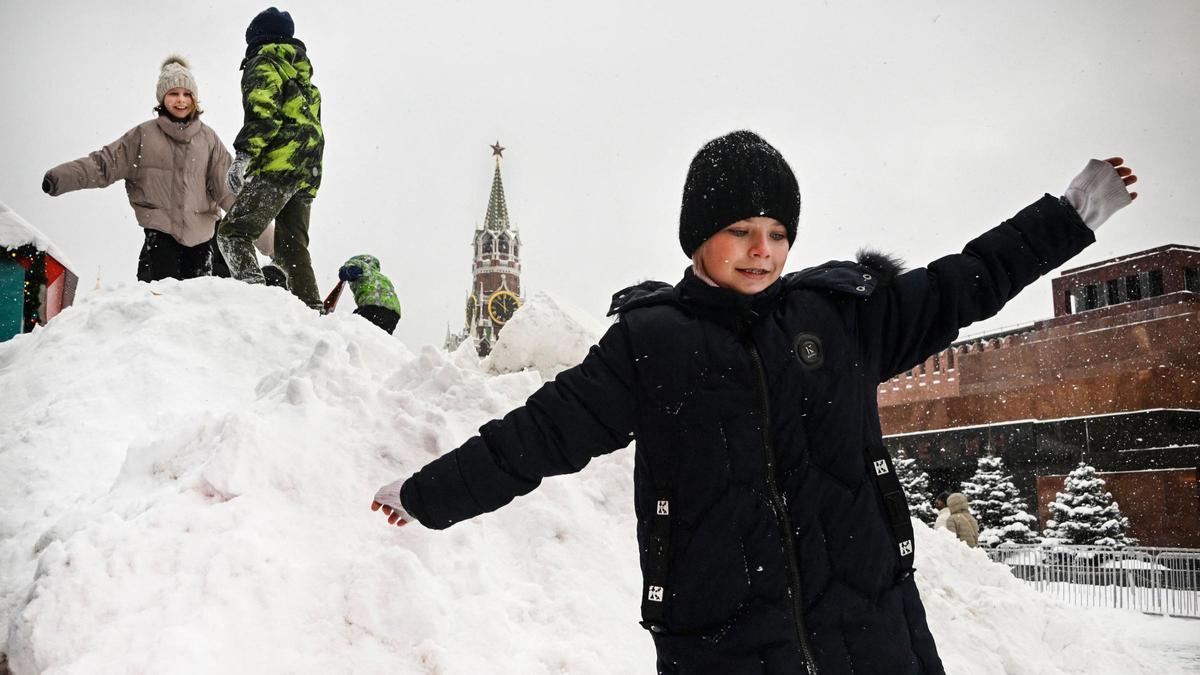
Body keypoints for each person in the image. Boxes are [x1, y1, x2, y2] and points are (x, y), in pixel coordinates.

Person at [371, 130, 1138, 674]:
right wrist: (426, 493)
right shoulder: (652, 343)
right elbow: (538, 436)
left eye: (776, 231)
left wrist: (1068, 216)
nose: (762, 249)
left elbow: (965, 280)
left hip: (873, 635)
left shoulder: (841, 317)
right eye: (739, 229)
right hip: (723, 646)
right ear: (698, 237)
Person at [42, 56, 234, 282]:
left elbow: (229, 192)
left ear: (195, 99)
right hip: (161, 235)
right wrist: (60, 178)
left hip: (202, 241)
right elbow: (103, 165)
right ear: (162, 98)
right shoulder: (143, 136)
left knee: (197, 307)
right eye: (173, 94)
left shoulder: (208, 140)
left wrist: (272, 243)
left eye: (186, 94)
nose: (181, 100)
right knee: (161, 300)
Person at [216, 7, 324, 309]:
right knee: (291, 248)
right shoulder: (303, 78)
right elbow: (311, 130)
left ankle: (258, 304)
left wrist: (244, 157)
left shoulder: (263, 63)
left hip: (279, 166)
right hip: (307, 170)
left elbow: (264, 117)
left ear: (256, 38)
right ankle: (311, 310)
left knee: (232, 233)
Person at [337, 255, 402, 334]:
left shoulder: (363, 267)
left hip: (375, 306)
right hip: (393, 314)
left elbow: (348, 271)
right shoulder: (379, 276)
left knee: (352, 326)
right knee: (378, 337)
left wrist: (345, 270)